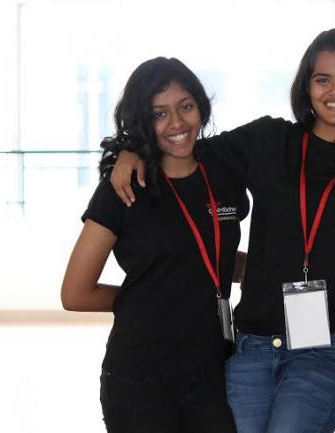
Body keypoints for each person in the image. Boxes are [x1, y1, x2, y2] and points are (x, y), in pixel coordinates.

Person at [107, 29, 335, 433]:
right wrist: (131, 148)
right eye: (322, 79)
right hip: (253, 342)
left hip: (325, 346)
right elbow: (184, 147)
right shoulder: (269, 140)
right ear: (306, 86)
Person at [61, 57, 248, 433]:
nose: (176, 123)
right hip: (141, 378)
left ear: (201, 106)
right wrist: (150, 299)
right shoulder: (125, 187)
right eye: (159, 114)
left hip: (212, 373)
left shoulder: (222, 173)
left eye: (186, 106)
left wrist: (273, 269)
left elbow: (210, 255)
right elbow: (75, 293)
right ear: (142, 121)